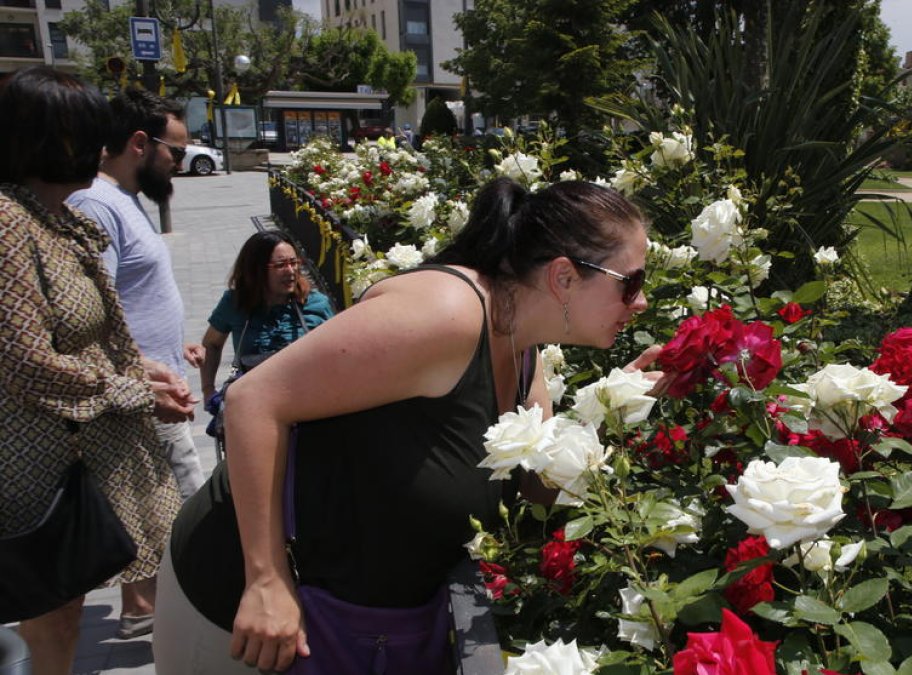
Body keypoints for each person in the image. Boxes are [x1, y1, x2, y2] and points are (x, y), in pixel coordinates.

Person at [154, 177, 666, 673]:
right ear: (564, 276)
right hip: (237, 605)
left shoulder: (522, 347)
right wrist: (265, 580)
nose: (642, 302)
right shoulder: (445, 314)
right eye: (632, 282)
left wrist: (613, 410)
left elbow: (536, 487)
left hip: (344, 619)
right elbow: (251, 400)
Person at [0, 66, 191, 675]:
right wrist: (132, 389)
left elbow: (97, 328)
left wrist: (142, 369)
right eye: (84, 135)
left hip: (78, 450)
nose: (97, 150)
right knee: (55, 611)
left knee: (65, 607)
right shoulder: (9, 224)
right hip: (42, 463)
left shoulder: (52, 216)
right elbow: (26, 363)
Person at [66, 87, 206, 641]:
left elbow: (134, 293)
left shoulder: (124, 198)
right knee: (189, 510)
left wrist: (177, 346)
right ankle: (188, 616)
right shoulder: (98, 205)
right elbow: (90, 310)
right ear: (139, 143)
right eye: (174, 150)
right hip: (140, 392)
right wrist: (143, 372)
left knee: (147, 509)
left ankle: (145, 608)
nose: (178, 161)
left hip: (155, 380)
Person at [198, 230, 335, 407]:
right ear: (256, 269)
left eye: (294, 263)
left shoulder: (316, 303)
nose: (291, 271)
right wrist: (208, 391)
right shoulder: (236, 303)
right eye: (280, 265)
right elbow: (211, 344)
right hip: (254, 408)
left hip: (308, 407)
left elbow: (337, 351)